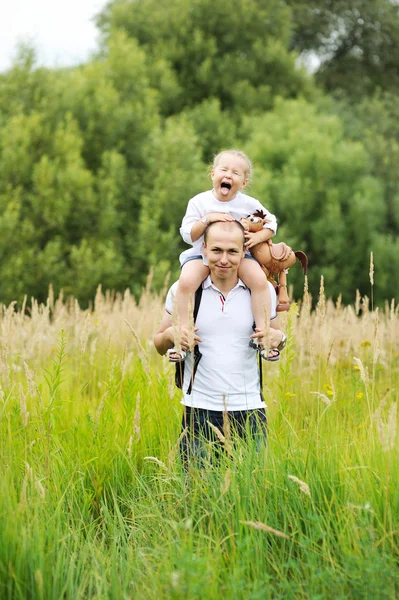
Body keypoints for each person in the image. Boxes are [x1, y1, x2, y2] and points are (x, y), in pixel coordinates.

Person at [154, 220, 287, 467]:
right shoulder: (184, 290)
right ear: (204, 249)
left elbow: (277, 338)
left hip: (250, 411)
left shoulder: (262, 291)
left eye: (232, 251)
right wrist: (172, 335)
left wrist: (280, 339)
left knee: (251, 497)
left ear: (243, 252)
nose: (224, 259)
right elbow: (159, 343)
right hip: (198, 412)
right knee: (196, 496)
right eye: (216, 250)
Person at [168, 149, 288, 363]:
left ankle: (264, 335)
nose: (228, 175)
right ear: (213, 174)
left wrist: (259, 237)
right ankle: (182, 337)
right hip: (200, 254)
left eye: (236, 173)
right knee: (186, 282)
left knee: (259, 281)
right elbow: (188, 235)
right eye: (224, 170)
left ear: (243, 182)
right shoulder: (199, 202)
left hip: (239, 256)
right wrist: (207, 219)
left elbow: (272, 222)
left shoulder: (248, 204)